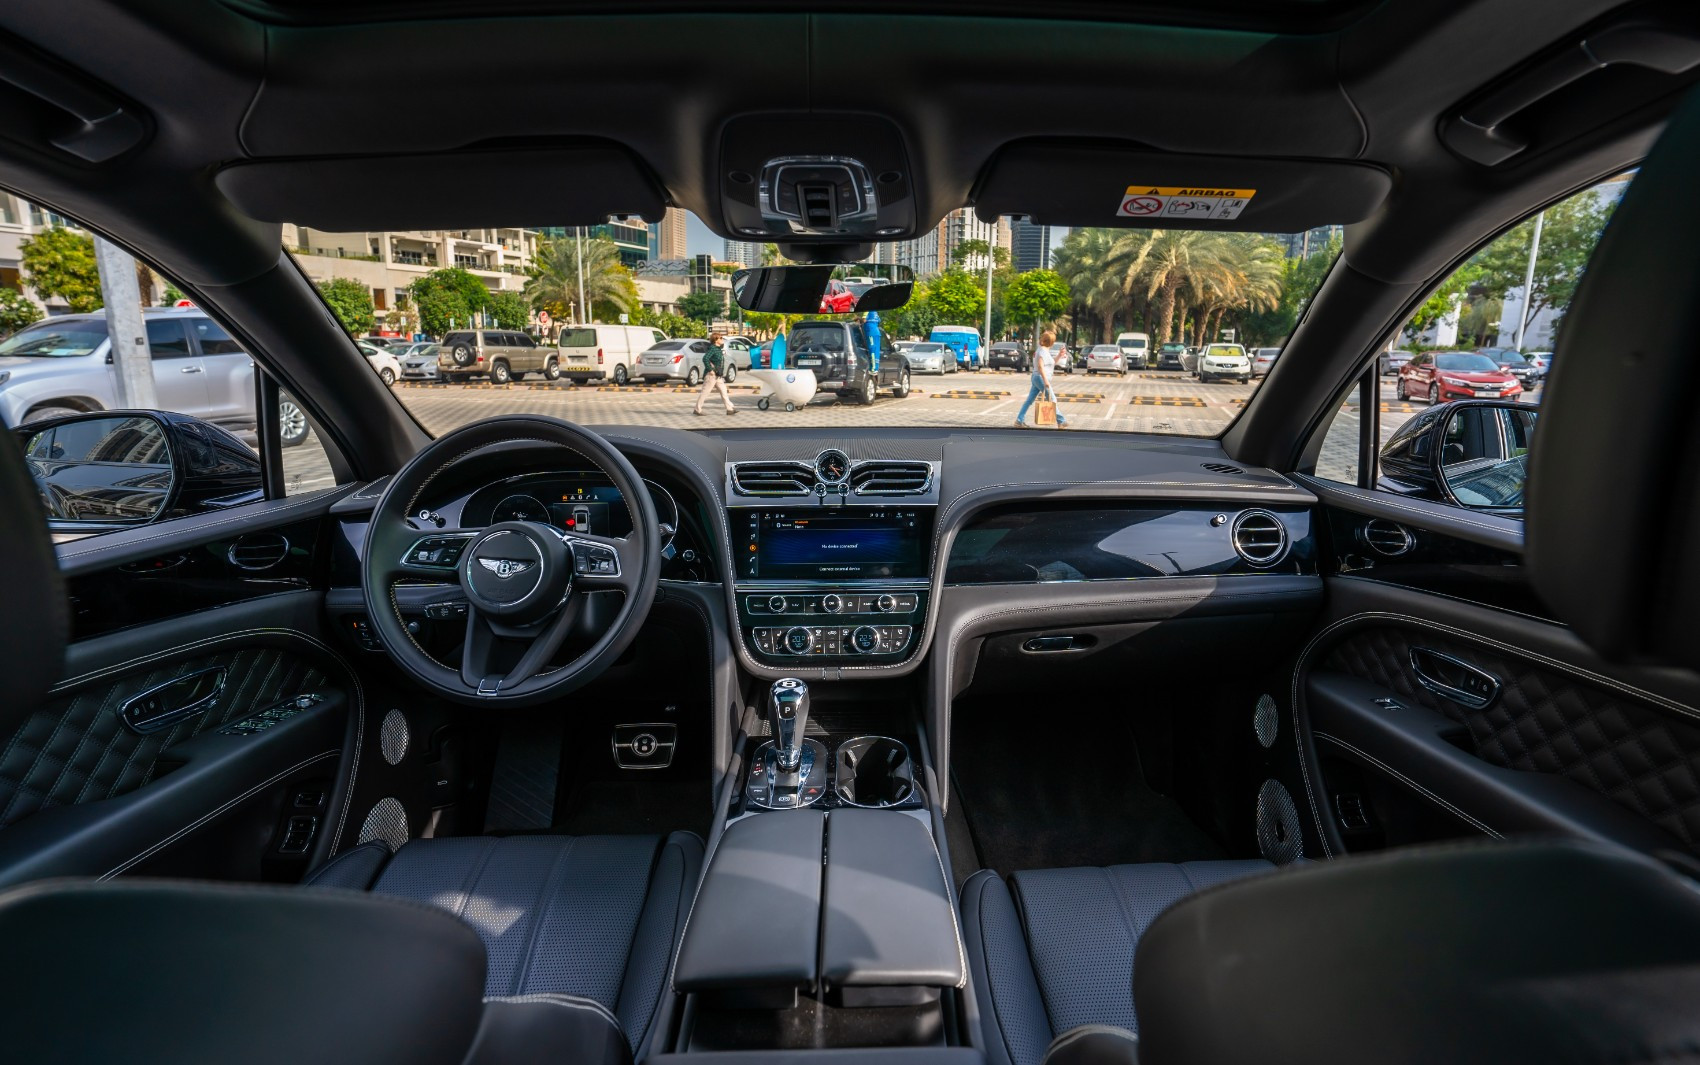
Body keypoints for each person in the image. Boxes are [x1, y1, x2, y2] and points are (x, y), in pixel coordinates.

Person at [1016, 329, 1068, 428]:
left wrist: (1059, 355)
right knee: (1053, 399)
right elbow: (1040, 366)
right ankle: (1061, 421)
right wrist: (1045, 381)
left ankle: (1019, 420)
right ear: (1050, 342)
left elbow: (1051, 363)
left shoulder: (1043, 350)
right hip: (1041, 378)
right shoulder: (1042, 351)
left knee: (1029, 400)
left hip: (1037, 378)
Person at [694, 330, 737, 416]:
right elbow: (705, 358)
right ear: (715, 340)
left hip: (718, 375)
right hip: (711, 375)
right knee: (705, 392)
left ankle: (729, 409)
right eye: (720, 338)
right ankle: (697, 409)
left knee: (724, 391)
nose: (722, 339)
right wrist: (710, 370)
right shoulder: (713, 349)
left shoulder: (718, 349)